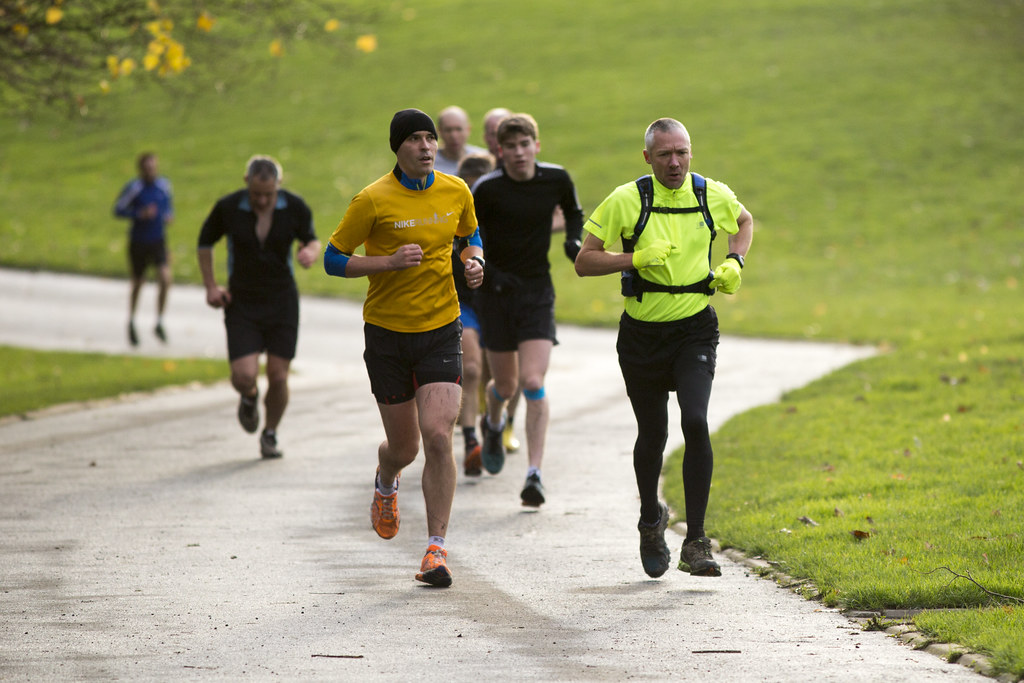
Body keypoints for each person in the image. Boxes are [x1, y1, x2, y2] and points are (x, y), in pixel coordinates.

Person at [574, 117, 754, 579]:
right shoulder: (627, 199)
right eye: (665, 155)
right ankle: (651, 519)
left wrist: (734, 261)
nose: (675, 163)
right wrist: (632, 258)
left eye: (682, 152)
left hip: (695, 327)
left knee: (695, 421)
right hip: (641, 336)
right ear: (647, 157)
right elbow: (584, 260)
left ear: (691, 152)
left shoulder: (709, 193)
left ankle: (696, 540)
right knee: (653, 434)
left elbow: (744, 220)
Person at [324, 108, 484, 588]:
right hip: (388, 334)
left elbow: (469, 234)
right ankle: (386, 478)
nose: (426, 146)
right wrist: (387, 262)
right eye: (415, 138)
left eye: (430, 138)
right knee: (405, 446)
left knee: (438, 436)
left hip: (440, 327)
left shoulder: (456, 190)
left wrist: (474, 261)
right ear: (398, 147)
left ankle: (435, 549)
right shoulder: (372, 200)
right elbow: (333, 260)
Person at [472, 112, 584, 507]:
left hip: (537, 290)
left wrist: (574, 241)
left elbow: (573, 211)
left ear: (536, 146)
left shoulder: (555, 179)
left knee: (533, 381)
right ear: (499, 152)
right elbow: (469, 237)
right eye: (511, 147)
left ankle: (534, 474)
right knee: (505, 386)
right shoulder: (487, 189)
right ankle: (494, 421)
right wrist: (489, 271)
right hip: (497, 294)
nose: (519, 154)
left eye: (525, 145)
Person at [196, 155, 320, 460]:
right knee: (243, 376)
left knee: (279, 376)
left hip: (282, 301)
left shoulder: (294, 206)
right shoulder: (228, 207)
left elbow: (313, 240)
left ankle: (270, 433)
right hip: (242, 301)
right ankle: (249, 398)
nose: (262, 200)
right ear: (246, 183)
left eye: (268, 193)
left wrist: (309, 253)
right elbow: (205, 242)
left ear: (278, 185)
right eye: (256, 194)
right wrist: (211, 285)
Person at [452, 152, 496, 476]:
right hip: (463, 301)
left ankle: (494, 427)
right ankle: (470, 441)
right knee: (471, 367)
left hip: (497, 303)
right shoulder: (451, 213)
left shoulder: (501, 214)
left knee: (500, 379)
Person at [114, 152, 174, 346]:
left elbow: (168, 208)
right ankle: (131, 320)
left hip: (158, 240)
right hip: (138, 242)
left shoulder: (164, 186)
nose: (151, 172)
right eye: (147, 169)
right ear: (140, 170)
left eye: (153, 167)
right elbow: (118, 209)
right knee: (138, 282)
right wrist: (140, 213)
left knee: (165, 279)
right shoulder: (134, 188)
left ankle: (160, 321)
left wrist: (167, 217)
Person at [433, 105, 488, 175]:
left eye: (459, 129)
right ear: (439, 131)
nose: (453, 136)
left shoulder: (483, 160)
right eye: (448, 130)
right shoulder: (429, 164)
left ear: (468, 129)